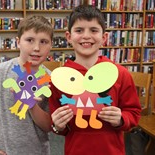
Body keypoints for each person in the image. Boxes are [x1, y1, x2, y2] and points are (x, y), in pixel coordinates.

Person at [49, 5, 141, 155]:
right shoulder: (60, 78)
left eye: (93, 30)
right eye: (79, 30)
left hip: (112, 150)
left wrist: (121, 119)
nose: (86, 36)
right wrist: (57, 126)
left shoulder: (120, 74)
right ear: (68, 37)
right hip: (75, 150)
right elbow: (57, 123)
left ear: (104, 38)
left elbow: (134, 113)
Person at [0, 15, 53, 155]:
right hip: (3, 151)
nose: (36, 48)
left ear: (51, 45)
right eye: (29, 40)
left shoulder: (50, 79)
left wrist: (31, 105)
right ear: (18, 42)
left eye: (43, 41)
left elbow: (48, 126)